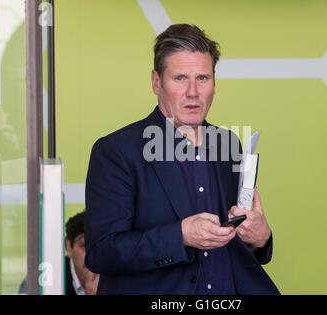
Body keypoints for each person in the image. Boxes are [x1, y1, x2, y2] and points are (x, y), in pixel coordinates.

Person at [85, 24, 280, 295]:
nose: (193, 91)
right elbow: (101, 252)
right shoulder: (116, 151)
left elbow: (238, 238)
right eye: (180, 78)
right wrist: (181, 236)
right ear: (157, 82)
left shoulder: (228, 144)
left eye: (202, 78)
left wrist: (260, 238)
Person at [65, 210, 100, 295]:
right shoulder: (47, 277)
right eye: (85, 246)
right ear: (69, 247)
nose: (94, 257)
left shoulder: (123, 276)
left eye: (102, 248)